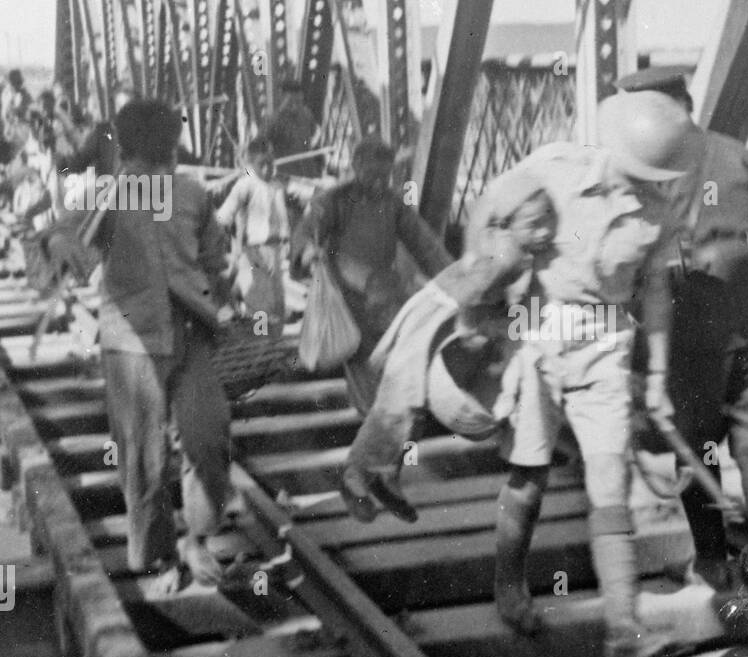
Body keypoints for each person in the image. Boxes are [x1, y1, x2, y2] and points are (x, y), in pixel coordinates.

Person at [476, 91, 702, 657]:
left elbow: (655, 290)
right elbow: (487, 215)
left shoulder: (661, 210)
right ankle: (508, 585)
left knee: (610, 480)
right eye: (636, 176)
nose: (643, 189)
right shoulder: (552, 171)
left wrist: (654, 375)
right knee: (529, 475)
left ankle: (624, 633)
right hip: (541, 340)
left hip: (606, 347)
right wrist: (484, 301)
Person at [615, 67, 748, 641]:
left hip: (695, 310)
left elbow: (634, 264)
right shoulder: (738, 154)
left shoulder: (647, 163)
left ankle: (715, 566)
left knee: (696, 446)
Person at [46, 99, 233, 593]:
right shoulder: (108, 196)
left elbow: (215, 258)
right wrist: (70, 254)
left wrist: (219, 301)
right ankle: (157, 559)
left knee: (208, 436)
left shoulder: (192, 194)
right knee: (143, 458)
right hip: (132, 344)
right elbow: (62, 236)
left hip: (189, 334)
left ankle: (198, 536)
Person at [338, 169, 557, 523]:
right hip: (438, 317)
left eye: (548, 220)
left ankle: (387, 478)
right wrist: (470, 333)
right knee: (400, 398)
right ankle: (355, 477)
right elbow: (471, 298)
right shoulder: (506, 256)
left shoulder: (519, 246)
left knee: (417, 407)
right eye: (534, 225)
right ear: (508, 224)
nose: (545, 231)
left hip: (448, 313)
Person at [293, 137, 450, 406]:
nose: (379, 183)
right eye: (372, 175)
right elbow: (308, 229)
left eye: (385, 176)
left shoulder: (394, 204)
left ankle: (383, 406)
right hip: (346, 293)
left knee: (390, 347)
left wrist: (451, 275)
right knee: (361, 353)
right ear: (355, 167)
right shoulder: (334, 200)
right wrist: (308, 251)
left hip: (382, 290)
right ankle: (373, 412)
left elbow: (424, 244)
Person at [216, 135, 314, 339]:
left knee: (277, 301)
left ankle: (272, 341)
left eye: (271, 163)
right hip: (256, 251)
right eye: (262, 165)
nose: (268, 169)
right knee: (260, 302)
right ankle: (258, 343)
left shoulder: (277, 184)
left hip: (277, 251)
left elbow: (306, 191)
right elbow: (224, 214)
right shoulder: (246, 185)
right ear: (250, 165)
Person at [265, 78, 321, 181]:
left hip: (308, 173)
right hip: (287, 177)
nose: (295, 107)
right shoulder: (275, 120)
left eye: (298, 102)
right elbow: (262, 142)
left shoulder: (306, 114)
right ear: (282, 99)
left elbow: (316, 132)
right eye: (290, 103)